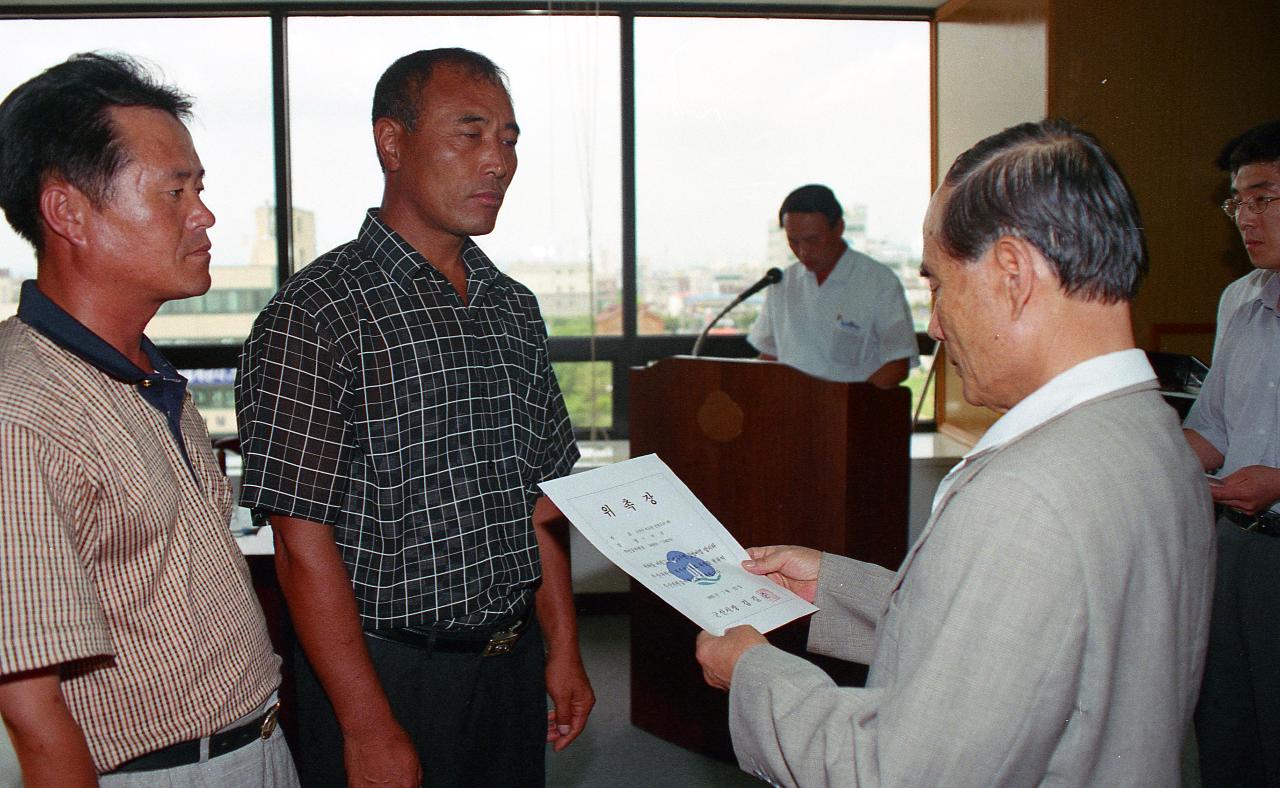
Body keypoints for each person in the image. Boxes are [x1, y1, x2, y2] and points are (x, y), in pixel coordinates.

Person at [695, 119, 1215, 786]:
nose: (935, 323)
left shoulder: (1028, 493)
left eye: (938, 283)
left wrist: (753, 672)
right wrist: (833, 588)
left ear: (1011, 272)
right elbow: (1011, 648)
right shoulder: (1151, 434)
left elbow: (895, 774)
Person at [236, 48, 593, 787]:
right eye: (470, 134)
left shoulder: (511, 306)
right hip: (387, 672)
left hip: (510, 659)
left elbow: (542, 502)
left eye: (509, 138)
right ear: (391, 142)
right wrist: (365, 723)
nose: (497, 161)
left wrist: (562, 647)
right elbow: (303, 543)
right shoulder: (318, 312)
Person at [0, 53, 296, 785]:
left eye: (199, 188)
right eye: (173, 191)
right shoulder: (22, 411)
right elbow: (35, 718)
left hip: (254, 740)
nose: (204, 215)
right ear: (67, 211)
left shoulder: (142, 373)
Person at [1184, 118, 1280, 787]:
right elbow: (1210, 432)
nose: (1245, 217)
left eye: (1265, 197)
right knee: (1226, 732)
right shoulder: (1237, 301)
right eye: (1237, 202)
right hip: (1233, 548)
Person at [747, 184, 919, 386]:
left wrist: (849, 403)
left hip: (852, 411)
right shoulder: (782, 283)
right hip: (790, 410)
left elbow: (897, 363)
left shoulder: (879, 282)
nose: (803, 251)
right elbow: (769, 355)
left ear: (839, 228)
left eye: (812, 240)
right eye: (793, 241)